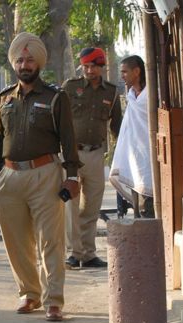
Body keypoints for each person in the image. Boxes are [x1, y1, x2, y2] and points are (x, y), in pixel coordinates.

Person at [0, 32, 81, 322]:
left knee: (50, 241)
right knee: (17, 242)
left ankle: (53, 300)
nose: (24, 64)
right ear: (13, 64)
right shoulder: (4, 98)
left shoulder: (56, 97)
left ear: (39, 63)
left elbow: (68, 139)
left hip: (45, 175)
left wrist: (72, 177)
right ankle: (29, 294)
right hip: (10, 177)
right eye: (19, 59)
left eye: (29, 59)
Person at [62, 48, 122, 269]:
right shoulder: (70, 87)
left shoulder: (112, 93)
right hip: (71, 155)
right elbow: (57, 118)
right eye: (85, 66)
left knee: (92, 206)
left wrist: (121, 155)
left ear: (101, 67)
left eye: (93, 66)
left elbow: (117, 127)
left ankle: (88, 254)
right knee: (71, 204)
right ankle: (73, 253)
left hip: (96, 154)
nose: (89, 70)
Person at [109, 55, 154, 218]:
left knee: (150, 201)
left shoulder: (151, 94)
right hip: (134, 155)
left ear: (137, 71)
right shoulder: (130, 95)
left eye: (125, 72)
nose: (122, 76)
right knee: (137, 199)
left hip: (149, 152)